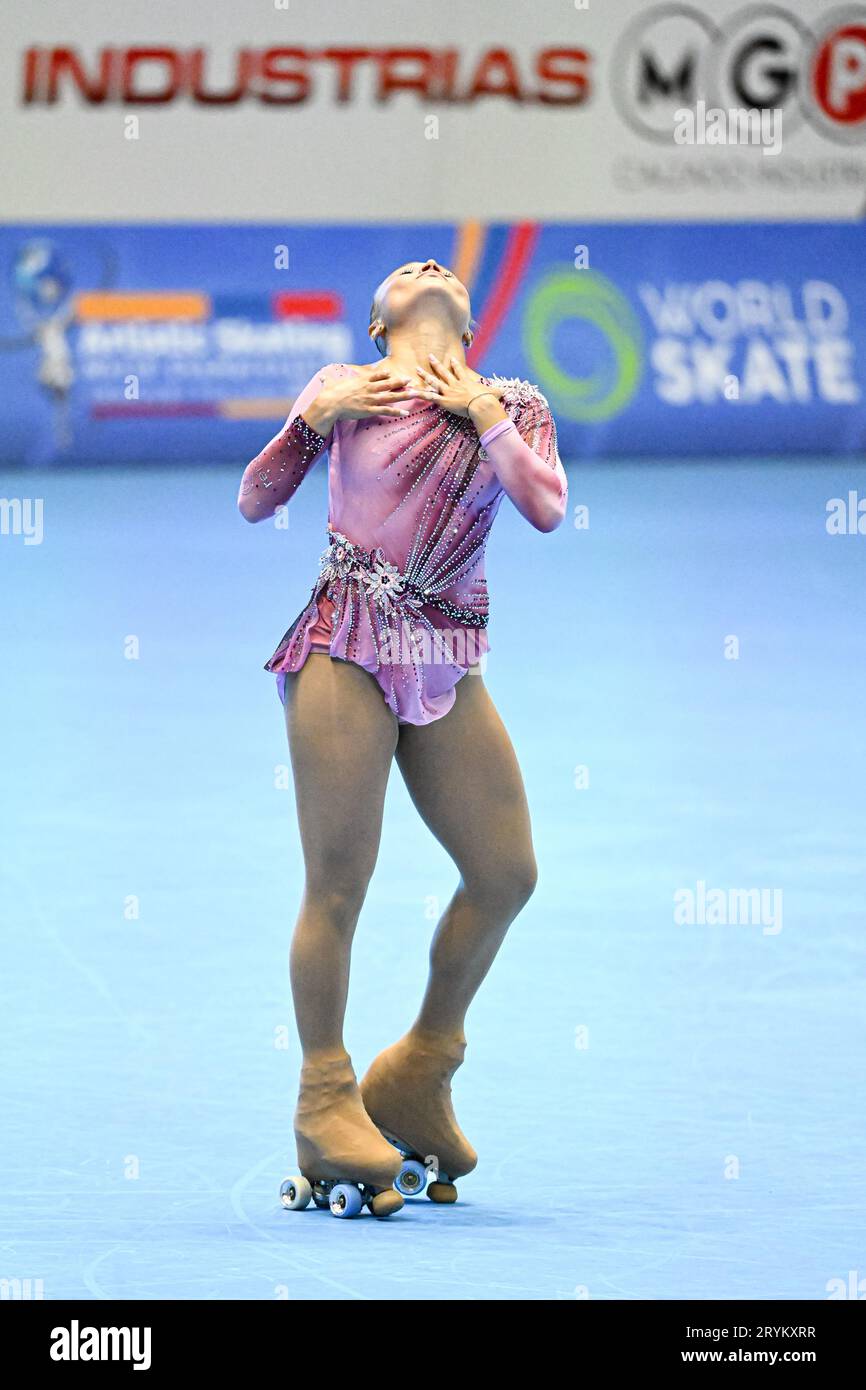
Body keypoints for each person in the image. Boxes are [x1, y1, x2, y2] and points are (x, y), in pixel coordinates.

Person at [238, 257, 568, 1217]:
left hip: (444, 658)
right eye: (406, 272)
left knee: (506, 872)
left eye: (447, 270)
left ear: (470, 318)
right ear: (377, 323)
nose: (429, 268)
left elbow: (546, 507)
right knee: (338, 883)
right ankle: (325, 1093)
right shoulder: (343, 389)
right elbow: (258, 500)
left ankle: (420, 1065)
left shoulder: (515, 401)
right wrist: (314, 421)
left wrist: (486, 418)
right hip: (344, 644)